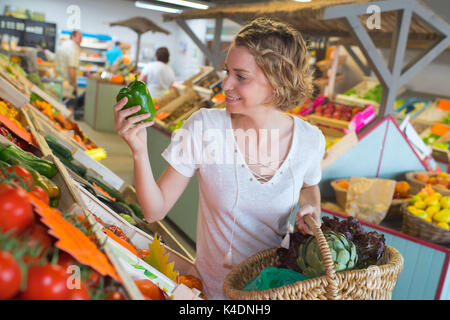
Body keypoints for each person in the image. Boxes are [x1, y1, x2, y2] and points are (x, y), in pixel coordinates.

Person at [113, 18, 325, 300]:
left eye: (241, 76)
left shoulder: (310, 140)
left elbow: (309, 185)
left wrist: (311, 209)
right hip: (210, 291)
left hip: (273, 292)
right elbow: (154, 211)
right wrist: (139, 150)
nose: (225, 83)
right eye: (227, 72)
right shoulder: (205, 127)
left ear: (278, 82)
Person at [56, 30, 82, 100]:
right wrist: (75, 87)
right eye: (80, 38)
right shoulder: (73, 49)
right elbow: (71, 69)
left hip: (59, 81)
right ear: (73, 37)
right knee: (68, 107)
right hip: (67, 85)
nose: (81, 40)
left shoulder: (64, 44)